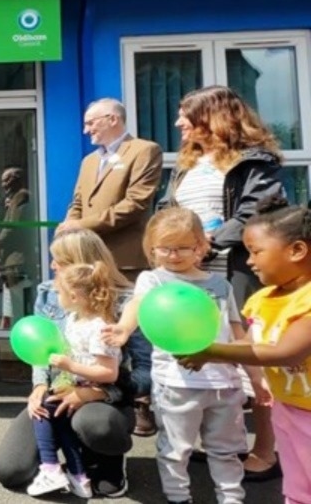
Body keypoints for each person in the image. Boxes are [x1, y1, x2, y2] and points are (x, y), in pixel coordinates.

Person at [159, 85, 285, 481]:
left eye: (186, 114)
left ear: (211, 117)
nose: (178, 122)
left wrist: (208, 244)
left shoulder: (254, 161)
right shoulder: (186, 165)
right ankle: (219, 443)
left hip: (233, 270)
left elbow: (256, 211)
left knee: (250, 357)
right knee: (200, 352)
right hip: (192, 274)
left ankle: (265, 450)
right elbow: (168, 210)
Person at [105, 207, 260, 504]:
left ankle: (231, 498)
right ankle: (178, 497)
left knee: (227, 449)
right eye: (164, 248)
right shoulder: (154, 280)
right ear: (152, 248)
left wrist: (255, 377)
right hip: (175, 383)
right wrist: (124, 329)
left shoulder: (220, 285)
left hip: (224, 384)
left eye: (182, 248)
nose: (173, 255)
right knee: (176, 448)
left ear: (201, 246)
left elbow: (237, 333)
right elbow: (138, 304)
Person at [0, 228, 147, 498]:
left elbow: (147, 372)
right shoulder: (48, 293)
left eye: (60, 261)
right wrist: (40, 385)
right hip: (59, 389)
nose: (52, 266)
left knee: (96, 425)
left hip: (105, 398)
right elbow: (42, 347)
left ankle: (106, 462)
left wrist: (97, 392)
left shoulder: (127, 302)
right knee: (11, 470)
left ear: (82, 264)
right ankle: (64, 466)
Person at [179, 196, 311, 504]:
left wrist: (213, 352)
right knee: (297, 488)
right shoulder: (263, 299)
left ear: (297, 250)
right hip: (288, 409)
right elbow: (252, 342)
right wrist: (203, 349)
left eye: (256, 251)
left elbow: (287, 352)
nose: (249, 261)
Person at [27, 262, 121, 499]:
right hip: (73, 384)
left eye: (59, 292)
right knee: (60, 419)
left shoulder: (99, 328)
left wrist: (70, 367)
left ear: (75, 296)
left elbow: (109, 373)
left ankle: (50, 467)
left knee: (46, 410)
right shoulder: (72, 319)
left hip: (92, 388)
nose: (55, 296)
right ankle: (79, 476)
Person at [58, 98, 163, 282]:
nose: (86, 130)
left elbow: (135, 203)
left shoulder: (144, 150)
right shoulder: (89, 161)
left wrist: (82, 225)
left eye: (91, 123)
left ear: (112, 119)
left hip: (124, 260)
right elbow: (78, 202)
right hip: (87, 260)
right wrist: (69, 225)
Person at [0, 166, 33, 330]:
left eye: (7, 180)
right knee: (12, 303)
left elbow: (11, 228)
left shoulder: (22, 196)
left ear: (17, 179)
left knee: (18, 304)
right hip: (10, 259)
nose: (4, 185)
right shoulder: (13, 199)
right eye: (3, 181)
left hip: (16, 259)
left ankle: (20, 333)